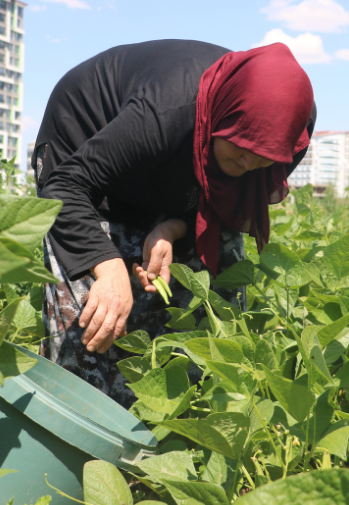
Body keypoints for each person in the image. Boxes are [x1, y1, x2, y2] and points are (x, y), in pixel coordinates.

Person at [31, 39, 316, 407]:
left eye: (261, 157)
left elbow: (229, 196)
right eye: (241, 149)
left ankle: (184, 420)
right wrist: (108, 266)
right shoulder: (165, 112)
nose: (247, 164)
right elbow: (66, 187)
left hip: (169, 161)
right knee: (93, 317)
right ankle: (76, 430)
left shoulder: (291, 133)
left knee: (207, 303)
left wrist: (174, 227)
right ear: (221, 119)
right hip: (83, 154)